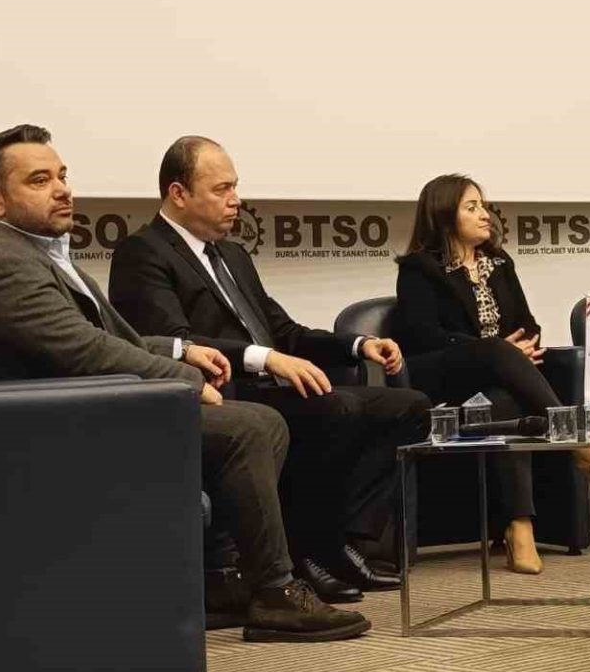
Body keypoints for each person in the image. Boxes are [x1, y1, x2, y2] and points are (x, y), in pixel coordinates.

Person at [0, 124, 368, 641]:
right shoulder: (0, 264)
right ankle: (274, 591)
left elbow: (106, 337)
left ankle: (221, 578)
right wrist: (185, 380)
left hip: (86, 406)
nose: (62, 189)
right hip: (52, 428)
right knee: (250, 427)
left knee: (261, 422)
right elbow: (84, 350)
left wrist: (182, 350)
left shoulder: (33, 252)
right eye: (39, 180)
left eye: (62, 175)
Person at [108, 137, 429, 603]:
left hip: (272, 388)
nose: (235, 200)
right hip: (226, 394)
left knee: (408, 408)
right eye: (221, 189)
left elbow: (284, 331)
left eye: (235, 187)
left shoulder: (231, 254)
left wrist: (359, 345)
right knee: (332, 408)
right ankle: (307, 551)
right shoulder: (143, 253)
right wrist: (264, 357)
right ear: (178, 193)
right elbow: (175, 341)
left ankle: (342, 540)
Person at [393, 174, 590, 575]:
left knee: (504, 400)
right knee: (495, 351)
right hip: (442, 379)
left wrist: (515, 348)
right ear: (444, 215)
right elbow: (422, 336)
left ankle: (519, 527)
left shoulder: (499, 264)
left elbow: (528, 324)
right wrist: (495, 351)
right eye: (471, 207)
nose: (485, 215)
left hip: (497, 384)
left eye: (483, 205)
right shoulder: (420, 269)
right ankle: (582, 446)